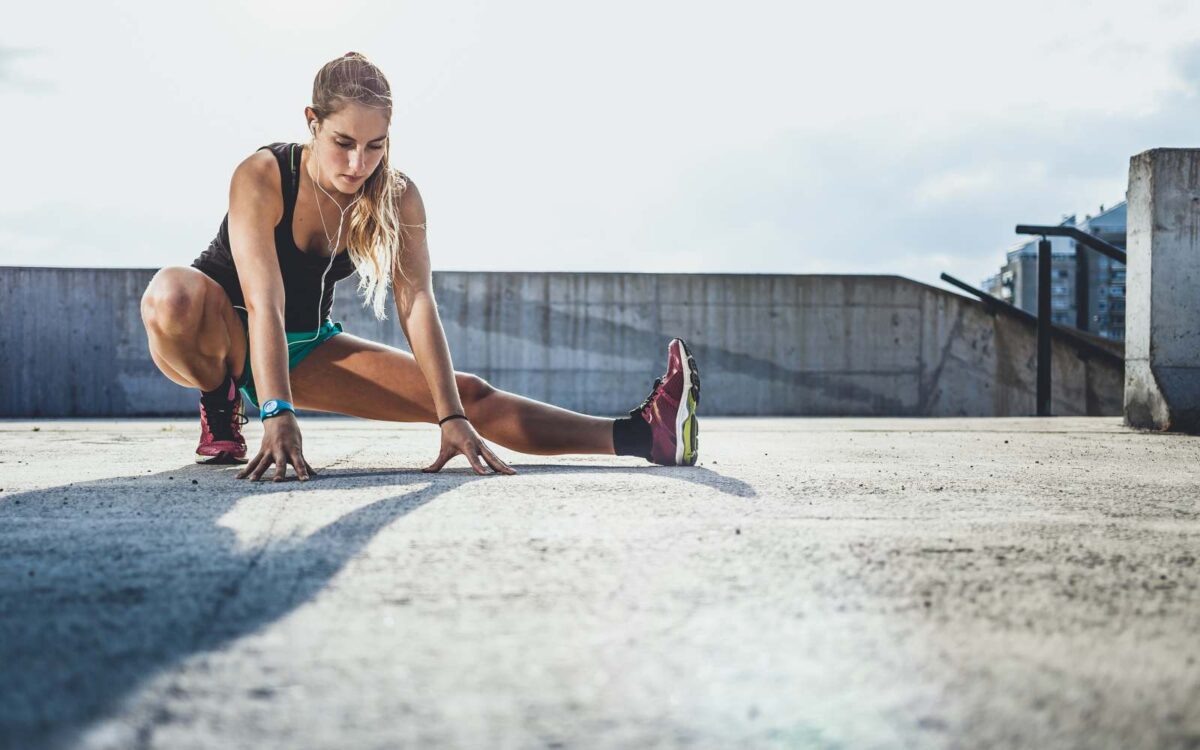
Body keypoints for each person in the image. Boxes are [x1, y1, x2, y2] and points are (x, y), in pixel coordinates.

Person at [139, 52, 700, 482]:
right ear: (311, 121)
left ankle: (643, 435)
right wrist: (275, 409)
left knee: (469, 397)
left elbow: (417, 302)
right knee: (173, 295)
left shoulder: (396, 195)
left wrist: (450, 416)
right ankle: (220, 404)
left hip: (303, 344)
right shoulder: (262, 175)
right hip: (223, 329)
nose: (358, 164)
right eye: (343, 143)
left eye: (375, 146)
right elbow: (264, 301)